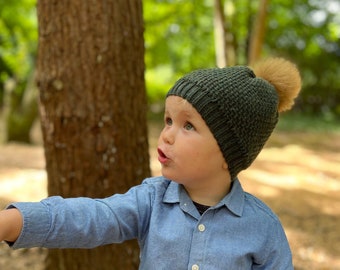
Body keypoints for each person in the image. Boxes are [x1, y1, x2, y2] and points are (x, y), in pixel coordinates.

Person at [0, 57, 301, 269]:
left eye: (188, 126)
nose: (166, 135)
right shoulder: (152, 201)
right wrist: (12, 222)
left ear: (229, 152)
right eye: (168, 120)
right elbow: (89, 218)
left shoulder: (262, 228)